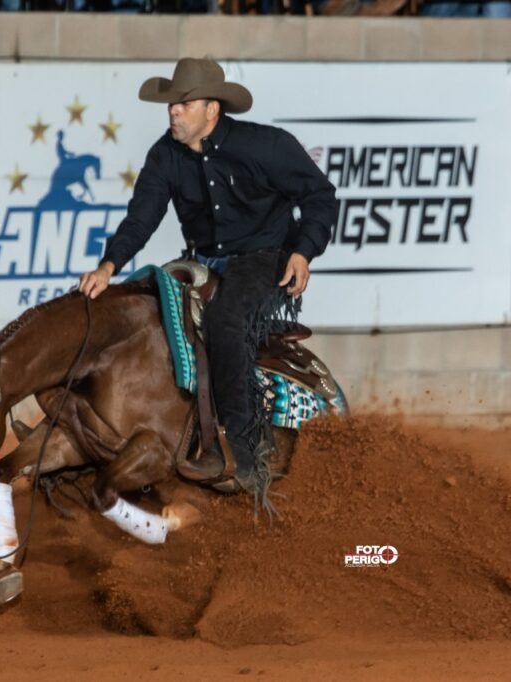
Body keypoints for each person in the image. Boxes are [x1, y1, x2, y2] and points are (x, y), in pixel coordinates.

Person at [78, 58, 339, 497]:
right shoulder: (164, 156)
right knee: (145, 316)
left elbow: (320, 195)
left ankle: (244, 452)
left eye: (184, 104)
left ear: (212, 110)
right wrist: (109, 266)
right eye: (171, 105)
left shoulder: (264, 146)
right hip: (202, 260)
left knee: (225, 321)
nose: (173, 112)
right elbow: (141, 220)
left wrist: (303, 251)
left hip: (265, 257)